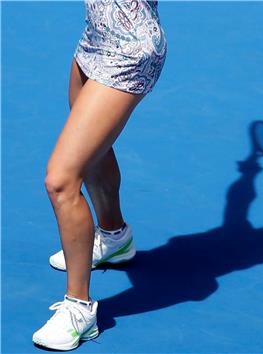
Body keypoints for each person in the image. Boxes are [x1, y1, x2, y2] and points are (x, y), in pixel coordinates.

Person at [32, 0, 167, 350]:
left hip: (128, 51)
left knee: (61, 181)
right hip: (96, 36)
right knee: (92, 150)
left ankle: (79, 309)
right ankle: (114, 237)